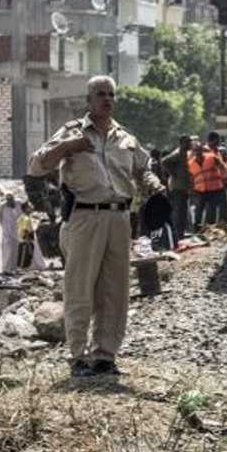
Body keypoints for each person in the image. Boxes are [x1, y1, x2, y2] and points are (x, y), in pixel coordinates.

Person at [28, 76, 162, 378]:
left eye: (111, 94)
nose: (107, 99)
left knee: (115, 291)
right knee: (80, 288)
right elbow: (37, 165)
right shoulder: (72, 132)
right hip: (85, 217)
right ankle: (77, 356)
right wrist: (68, 147)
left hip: (119, 218)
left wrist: (153, 184)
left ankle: (105, 356)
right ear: (88, 100)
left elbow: (143, 168)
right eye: (100, 94)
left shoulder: (124, 137)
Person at [188, 134, 227, 230]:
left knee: (211, 211)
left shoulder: (211, 157)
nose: (197, 152)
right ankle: (197, 230)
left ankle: (211, 229)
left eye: (199, 150)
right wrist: (191, 189)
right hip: (200, 191)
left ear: (202, 150)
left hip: (214, 189)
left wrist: (224, 177)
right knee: (198, 211)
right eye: (195, 151)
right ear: (193, 152)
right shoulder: (190, 164)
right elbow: (190, 178)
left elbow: (223, 167)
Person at [161, 136, 194, 241]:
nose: (190, 144)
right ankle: (176, 234)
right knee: (179, 211)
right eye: (187, 142)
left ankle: (180, 233)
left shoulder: (185, 154)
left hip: (183, 187)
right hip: (177, 187)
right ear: (182, 143)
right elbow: (164, 161)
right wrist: (173, 173)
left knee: (183, 211)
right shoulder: (178, 153)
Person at [16, 202, 37, 270]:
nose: (31, 208)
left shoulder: (21, 217)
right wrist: (28, 241)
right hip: (26, 240)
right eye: (29, 207)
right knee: (25, 255)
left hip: (22, 240)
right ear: (25, 209)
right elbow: (25, 230)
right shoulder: (26, 219)